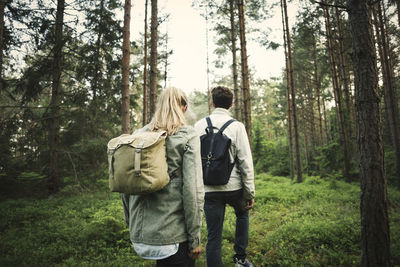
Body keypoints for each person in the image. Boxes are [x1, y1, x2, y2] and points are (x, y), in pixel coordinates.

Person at [121, 87, 204, 267]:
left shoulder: (138, 135)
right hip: (173, 236)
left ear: (159, 106)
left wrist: (131, 221)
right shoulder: (187, 136)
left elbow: (125, 184)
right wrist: (195, 237)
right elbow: (192, 191)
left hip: (141, 235)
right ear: (183, 107)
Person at [194, 86, 255, 267]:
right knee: (242, 215)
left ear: (212, 103)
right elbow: (245, 161)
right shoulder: (237, 127)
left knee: (214, 235)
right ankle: (240, 259)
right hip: (234, 188)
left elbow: (193, 161)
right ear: (231, 104)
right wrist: (249, 192)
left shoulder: (198, 125)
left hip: (209, 190)